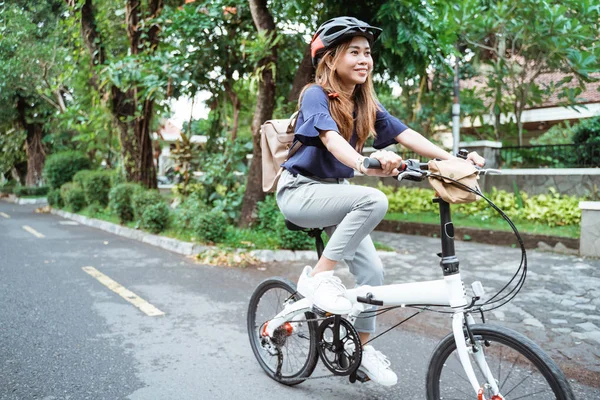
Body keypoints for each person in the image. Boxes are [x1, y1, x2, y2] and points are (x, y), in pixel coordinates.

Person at [276, 16, 485, 387]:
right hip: (300, 191)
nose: (363, 59)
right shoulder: (315, 94)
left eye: (367, 53)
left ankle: (361, 349)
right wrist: (362, 162)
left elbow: (406, 134)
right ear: (330, 58)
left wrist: (453, 160)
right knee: (372, 200)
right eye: (353, 52)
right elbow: (329, 139)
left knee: (373, 273)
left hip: (334, 194)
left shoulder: (365, 101)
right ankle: (319, 279)